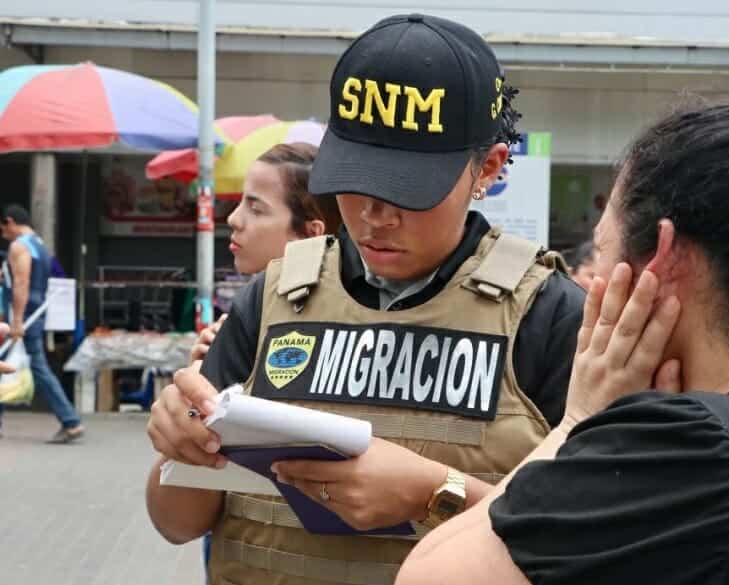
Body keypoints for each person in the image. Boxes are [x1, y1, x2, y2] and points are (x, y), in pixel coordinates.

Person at [396, 41, 729, 584]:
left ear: (661, 259)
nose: (593, 282)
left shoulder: (692, 446)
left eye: (602, 252)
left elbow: (428, 578)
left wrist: (578, 423)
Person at [146, 13, 584, 585]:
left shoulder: (549, 317)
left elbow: (586, 549)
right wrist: (179, 450)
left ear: (490, 167)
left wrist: (436, 493)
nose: (375, 215)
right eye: (355, 180)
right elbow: (177, 523)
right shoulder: (273, 296)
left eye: (408, 188)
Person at [189, 142, 341, 364]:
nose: (233, 219)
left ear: (311, 233)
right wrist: (202, 371)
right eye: (241, 202)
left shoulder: (332, 324)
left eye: (256, 209)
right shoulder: (250, 312)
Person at [0, 205, 84, 443]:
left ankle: (71, 421)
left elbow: (22, 283)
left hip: (24, 317)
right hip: (34, 313)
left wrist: (16, 321)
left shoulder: (20, 246)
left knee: (38, 368)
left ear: (9, 222)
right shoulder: (39, 245)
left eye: (2, 228)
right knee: (7, 364)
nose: (3, 233)